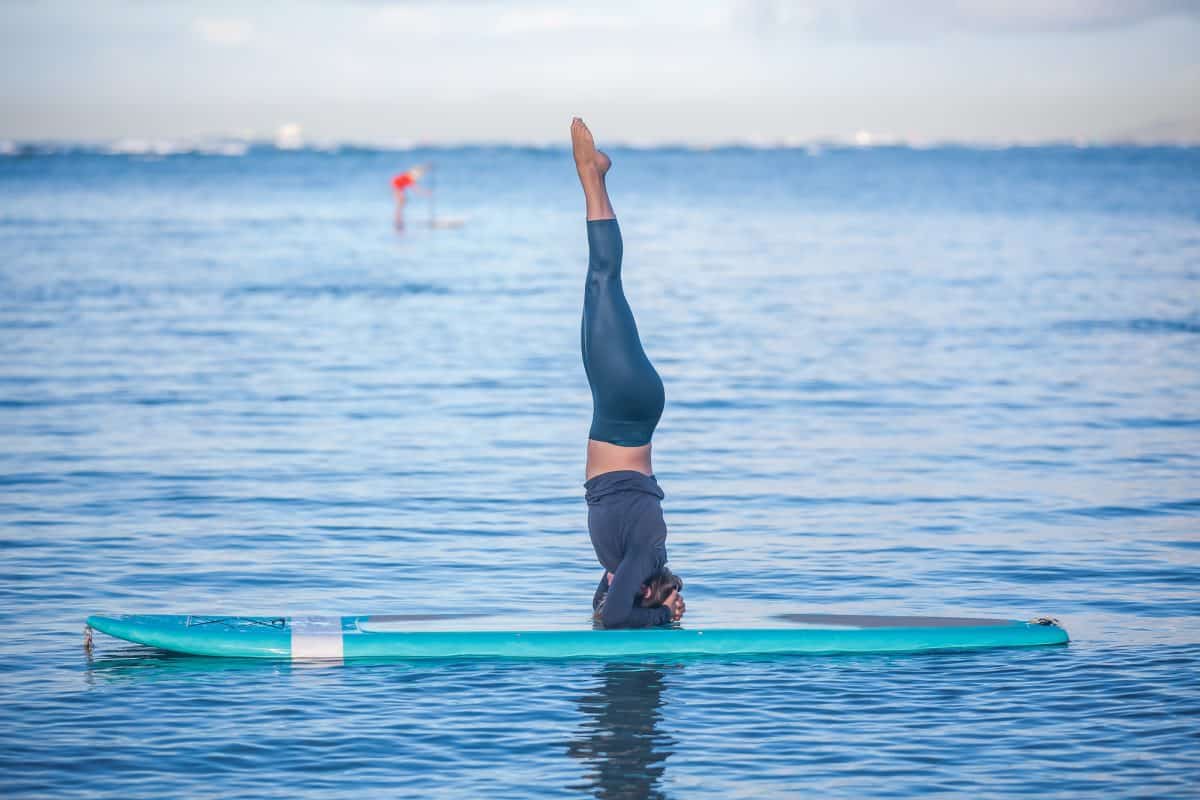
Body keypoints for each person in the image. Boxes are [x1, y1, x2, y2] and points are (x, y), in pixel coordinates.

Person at [572, 117, 686, 629]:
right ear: (645, 589)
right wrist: (662, 615)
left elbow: (608, 606)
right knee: (603, 281)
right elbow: (615, 619)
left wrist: (649, 603)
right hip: (623, 408)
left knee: (602, 289)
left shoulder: (625, 563)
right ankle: (592, 178)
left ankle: (595, 180)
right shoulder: (644, 553)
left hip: (623, 409)